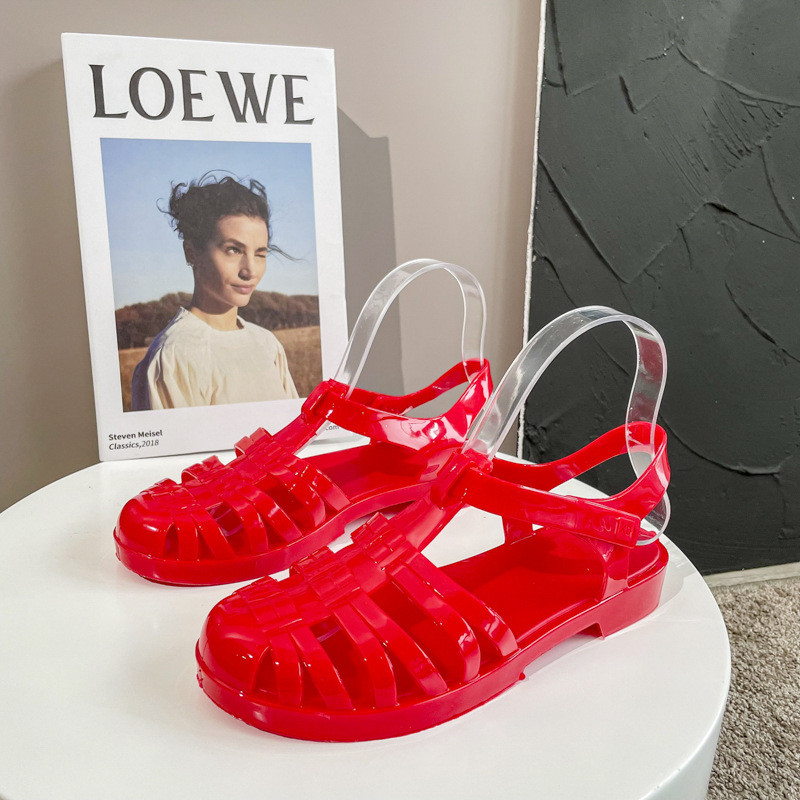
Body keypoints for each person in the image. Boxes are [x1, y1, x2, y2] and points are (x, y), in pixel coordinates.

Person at [132, 174, 299, 410]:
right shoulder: (173, 355)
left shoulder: (267, 344)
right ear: (191, 252)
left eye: (260, 254)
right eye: (233, 250)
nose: (250, 270)